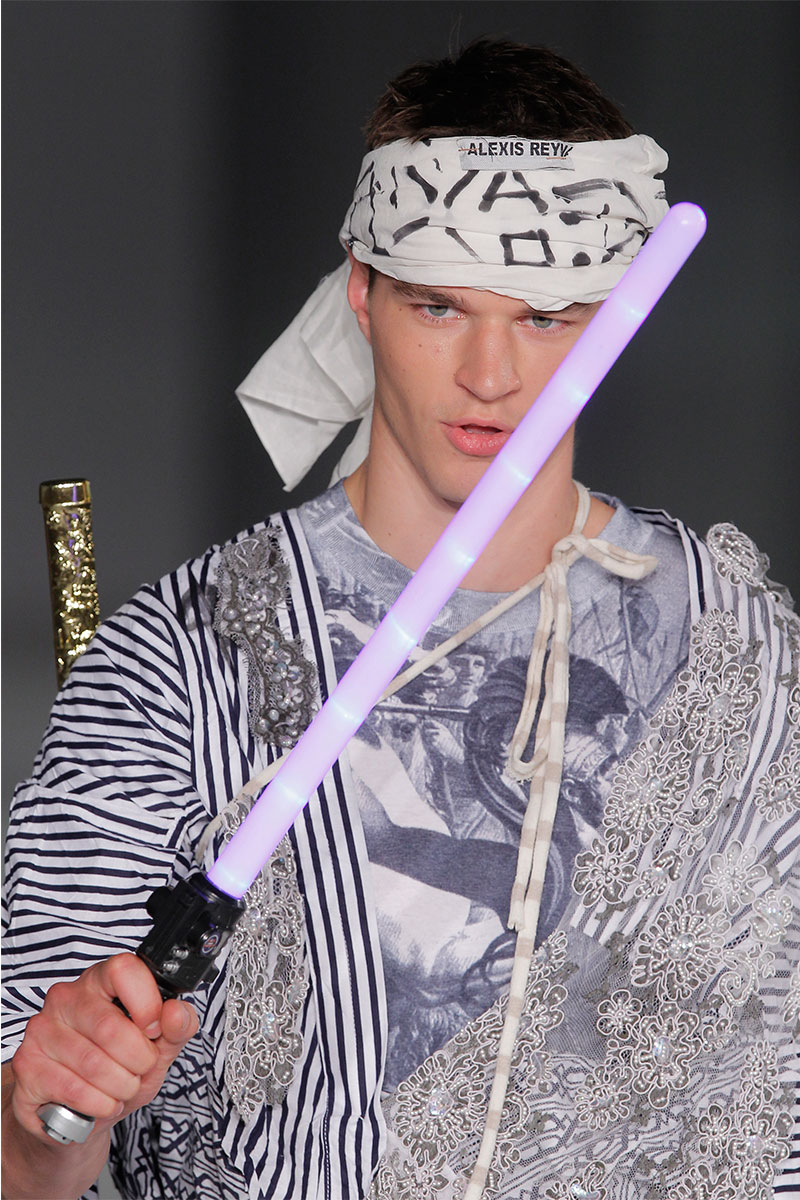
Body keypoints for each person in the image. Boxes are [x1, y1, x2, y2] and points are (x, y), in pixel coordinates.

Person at [3, 38, 798, 1200]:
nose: (490, 374)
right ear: (361, 295)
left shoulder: (737, 647)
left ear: (612, 319)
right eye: (438, 305)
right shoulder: (178, 657)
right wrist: (43, 1116)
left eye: (546, 317)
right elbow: (28, 1154)